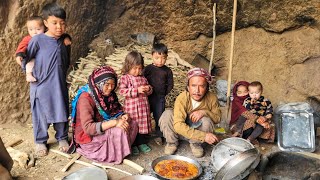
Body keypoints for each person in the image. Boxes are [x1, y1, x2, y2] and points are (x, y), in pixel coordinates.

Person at [25, 3, 71, 157]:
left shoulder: (64, 41)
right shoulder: (37, 40)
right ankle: (40, 140)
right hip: (41, 85)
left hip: (58, 84)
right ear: (45, 23)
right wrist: (28, 71)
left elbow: (66, 61)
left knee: (61, 110)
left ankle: (62, 137)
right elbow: (27, 58)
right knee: (40, 114)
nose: (59, 27)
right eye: (54, 23)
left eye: (62, 23)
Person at [71, 66, 138, 164]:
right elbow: (88, 128)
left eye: (113, 84)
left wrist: (122, 116)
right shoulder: (86, 98)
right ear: (98, 83)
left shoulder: (108, 95)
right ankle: (115, 154)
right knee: (120, 131)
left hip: (103, 125)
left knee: (132, 123)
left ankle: (120, 148)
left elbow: (115, 112)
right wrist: (115, 122)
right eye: (107, 85)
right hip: (89, 138)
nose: (110, 88)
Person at [159, 67, 221, 158]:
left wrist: (205, 112)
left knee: (207, 120)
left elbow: (217, 118)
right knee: (167, 114)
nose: (197, 90)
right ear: (188, 87)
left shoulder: (212, 98)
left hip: (197, 136)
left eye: (202, 86)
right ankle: (172, 142)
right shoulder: (182, 98)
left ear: (207, 87)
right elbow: (178, 125)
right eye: (193, 86)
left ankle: (196, 144)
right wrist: (204, 136)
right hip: (180, 133)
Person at [15, 16, 71, 82]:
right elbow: (22, 46)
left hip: (47, 63)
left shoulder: (48, 36)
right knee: (30, 63)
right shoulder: (28, 38)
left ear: (45, 28)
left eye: (38, 29)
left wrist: (66, 37)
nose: (34, 32)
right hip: (34, 61)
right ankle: (29, 75)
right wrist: (20, 54)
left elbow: (59, 36)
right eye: (31, 29)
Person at [119, 51, 153, 155]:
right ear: (128, 66)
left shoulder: (143, 78)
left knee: (142, 125)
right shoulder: (125, 78)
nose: (137, 71)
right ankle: (132, 144)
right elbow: (122, 91)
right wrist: (136, 90)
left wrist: (148, 89)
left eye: (139, 68)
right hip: (132, 108)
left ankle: (141, 143)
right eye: (135, 68)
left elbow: (150, 90)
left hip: (143, 107)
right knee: (133, 126)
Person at [143, 43, 173, 145]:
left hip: (160, 98)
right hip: (146, 97)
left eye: (163, 58)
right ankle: (144, 134)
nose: (160, 61)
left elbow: (170, 84)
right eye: (157, 58)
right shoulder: (147, 69)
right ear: (152, 56)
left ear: (166, 58)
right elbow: (141, 80)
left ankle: (159, 135)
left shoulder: (167, 71)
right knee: (145, 115)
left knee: (159, 117)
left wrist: (164, 93)